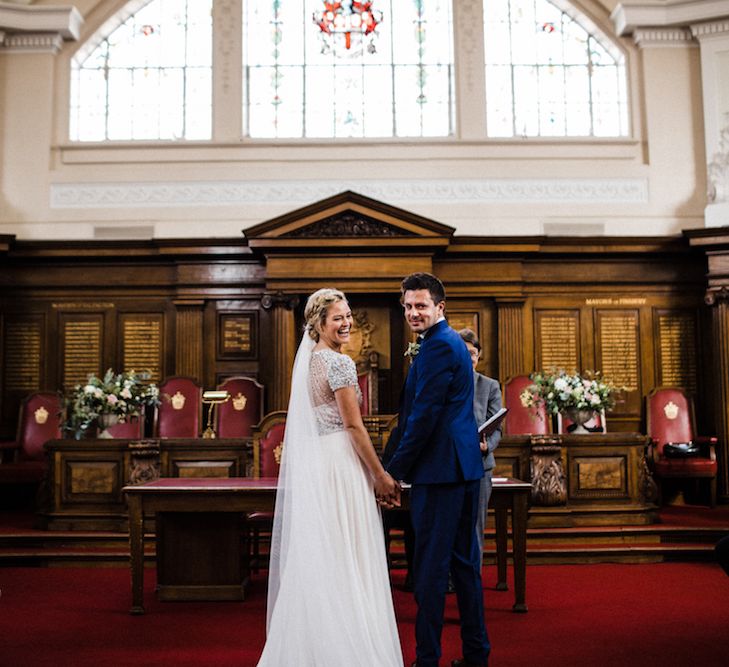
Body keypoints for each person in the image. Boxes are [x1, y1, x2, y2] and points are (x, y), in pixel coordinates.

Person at [257, 288, 403, 667]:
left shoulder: (310, 361)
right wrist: (380, 474)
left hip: (320, 463)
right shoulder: (338, 364)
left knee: (326, 552)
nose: (346, 322)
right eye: (337, 317)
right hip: (340, 463)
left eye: (348, 315)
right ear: (318, 324)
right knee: (347, 551)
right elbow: (354, 426)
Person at [386, 273, 491, 667]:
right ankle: (476, 654)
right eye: (408, 306)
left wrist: (394, 472)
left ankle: (427, 659)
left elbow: (424, 418)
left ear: (440, 308)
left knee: (430, 570)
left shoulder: (437, 348)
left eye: (421, 306)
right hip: (463, 469)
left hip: (440, 472)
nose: (413, 312)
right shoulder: (444, 343)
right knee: (464, 565)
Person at [458, 328, 503, 559]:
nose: (468, 358)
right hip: (451, 466)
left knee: (475, 528)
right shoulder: (446, 383)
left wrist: (487, 446)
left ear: (479, 355)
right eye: (463, 352)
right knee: (451, 528)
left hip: (480, 465)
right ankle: (449, 581)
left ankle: (471, 582)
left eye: (472, 353)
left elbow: (497, 429)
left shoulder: (490, 386)